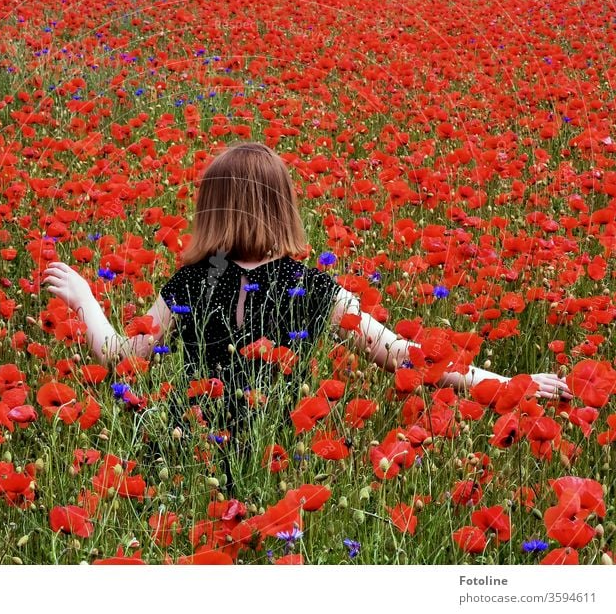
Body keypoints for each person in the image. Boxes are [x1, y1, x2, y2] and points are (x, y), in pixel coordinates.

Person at [42, 141, 572, 484]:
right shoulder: (312, 288)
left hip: (185, 456)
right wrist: (510, 382)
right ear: (281, 207)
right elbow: (405, 356)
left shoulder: (194, 280)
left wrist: (86, 300)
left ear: (212, 209)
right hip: (277, 461)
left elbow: (119, 355)